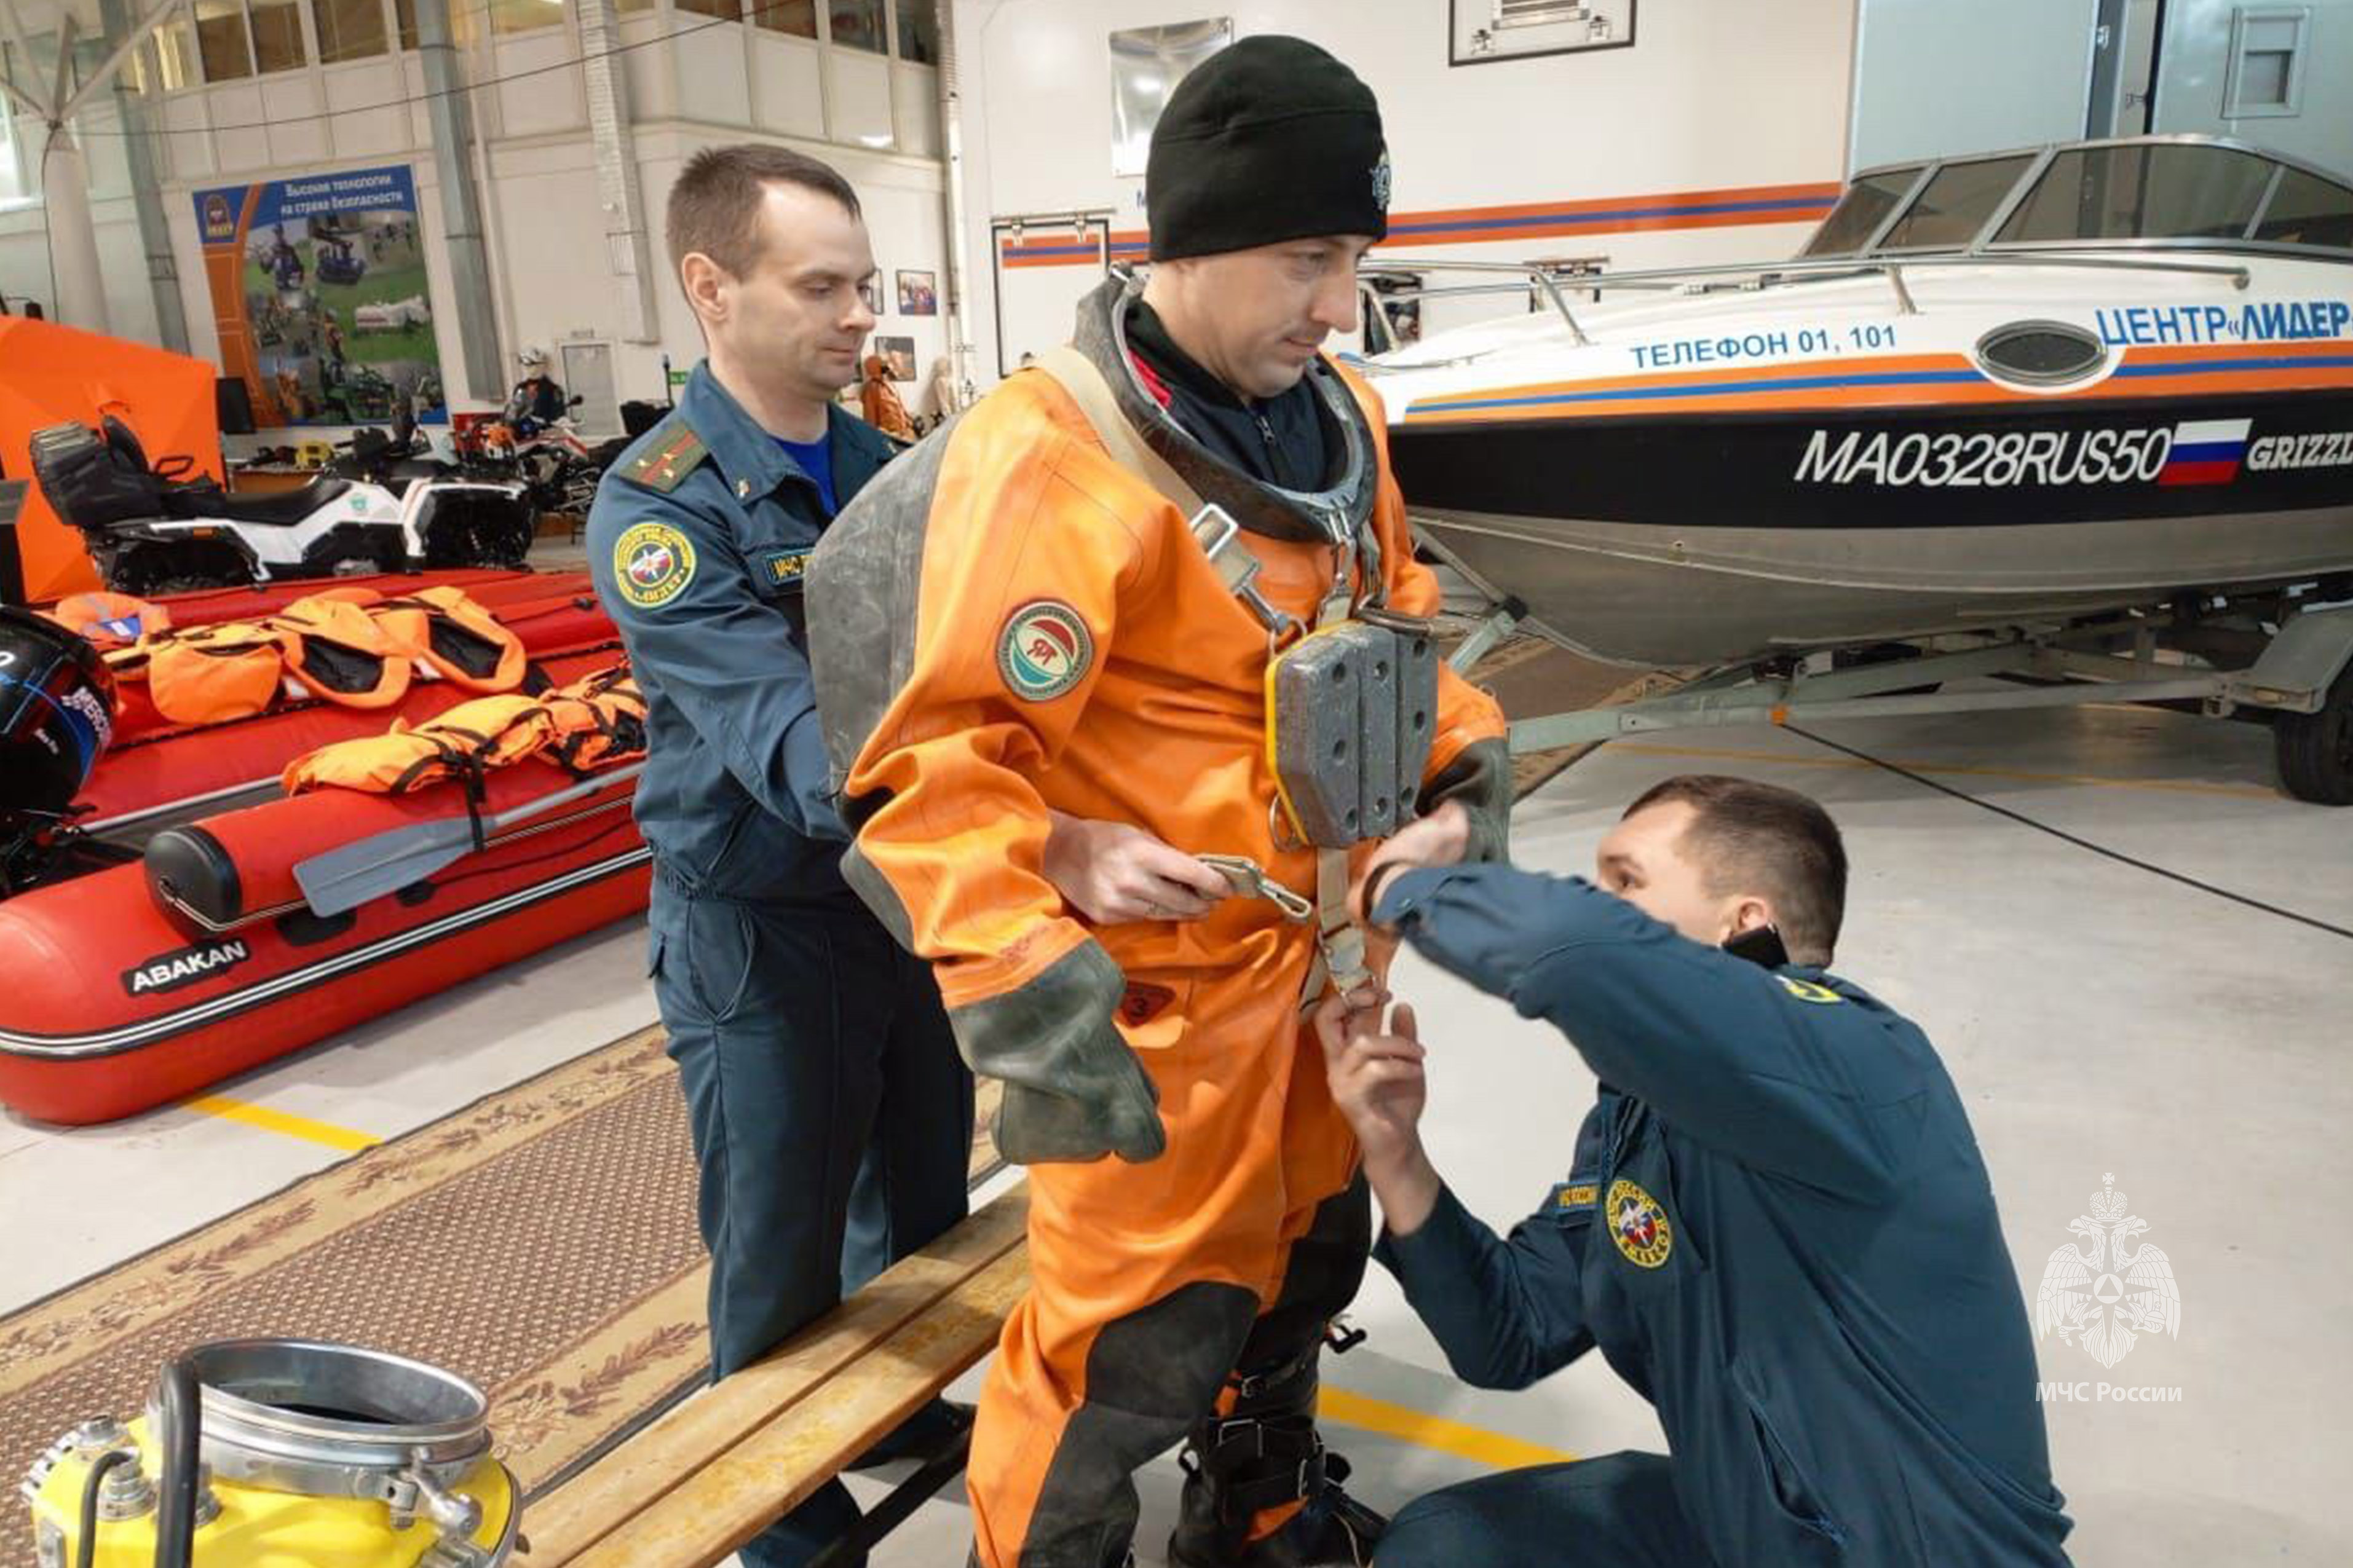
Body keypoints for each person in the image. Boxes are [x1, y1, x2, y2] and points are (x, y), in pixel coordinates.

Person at [806, 35, 1512, 1568]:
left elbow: (1399, 631)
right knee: (1126, 1353)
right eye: (1305, 258)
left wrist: (1457, 784)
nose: (1339, 303)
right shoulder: (1052, 461)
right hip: (1157, 1028)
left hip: (1329, 987)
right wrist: (1044, 1011)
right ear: (1190, 238)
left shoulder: (1345, 427)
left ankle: (1252, 1512)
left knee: (1305, 1268)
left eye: (1355, 259)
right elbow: (930, 783)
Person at [1321, 775, 2076, 1567]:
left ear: (1744, 921)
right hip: (1743, 1523)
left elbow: (1577, 953)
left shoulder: (1861, 1064)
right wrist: (1394, 1151)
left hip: (1905, 1549)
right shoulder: (1640, 1121)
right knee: (1448, 1546)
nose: (1597, 900)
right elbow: (1508, 1335)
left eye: (1626, 883)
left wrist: (1397, 880)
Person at [584, 144, 976, 1568]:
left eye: (861, 286)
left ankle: (888, 1417)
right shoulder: (660, 507)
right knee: (778, 1239)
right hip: (759, 924)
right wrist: (1016, 810)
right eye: (819, 286)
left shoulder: (888, 468)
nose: (855, 314)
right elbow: (789, 744)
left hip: (904, 898)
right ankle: (780, 1524)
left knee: (922, 1198)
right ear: (712, 289)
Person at [856, 352, 915, 441]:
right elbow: (870, 420)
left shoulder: (890, 385)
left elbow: (901, 407)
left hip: (903, 435)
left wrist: (910, 425)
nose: (887, 367)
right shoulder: (872, 388)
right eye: (882, 364)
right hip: (887, 437)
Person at [508, 347, 569, 428]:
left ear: (542, 366)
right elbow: (514, 411)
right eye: (526, 366)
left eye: (533, 366)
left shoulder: (553, 389)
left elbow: (559, 414)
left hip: (545, 432)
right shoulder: (520, 388)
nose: (530, 370)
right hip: (523, 431)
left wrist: (544, 421)